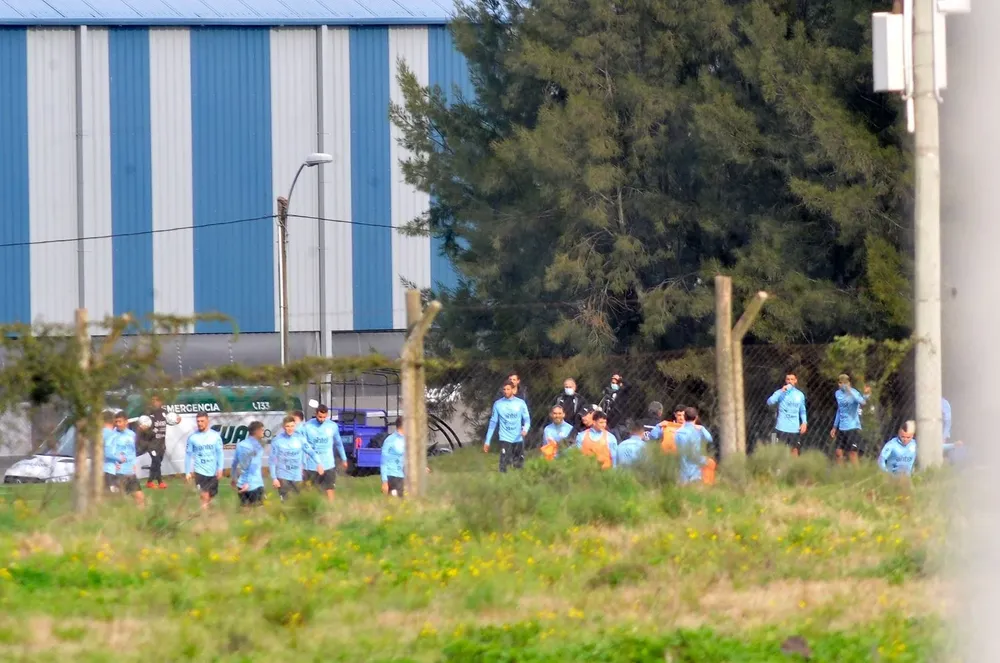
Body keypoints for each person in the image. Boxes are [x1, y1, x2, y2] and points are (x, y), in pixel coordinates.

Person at [300, 404, 347, 503]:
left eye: (324, 417)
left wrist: (344, 459)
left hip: (328, 464)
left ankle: (331, 508)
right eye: (320, 417)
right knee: (310, 490)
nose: (321, 419)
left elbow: (338, 443)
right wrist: (302, 464)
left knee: (329, 488)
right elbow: (303, 447)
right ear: (316, 414)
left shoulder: (332, 426)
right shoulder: (307, 426)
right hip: (311, 465)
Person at [269, 415, 322, 501]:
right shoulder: (277, 441)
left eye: (292, 426)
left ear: (295, 426)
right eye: (287, 426)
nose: (290, 429)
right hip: (283, 476)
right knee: (286, 502)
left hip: (297, 476)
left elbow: (311, 452)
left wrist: (318, 463)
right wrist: (274, 478)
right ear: (283, 427)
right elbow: (272, 461)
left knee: (298, 501)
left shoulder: (300, 439)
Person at [484, 380, 531, 473]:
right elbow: (493, 423)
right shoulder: (498, 404)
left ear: (513, 390)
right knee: (504, 466)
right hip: (505, 437)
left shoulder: (520, 403)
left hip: (518, 437)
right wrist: (487, 441)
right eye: (504, 389)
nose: (506, 391)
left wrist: (525, 429)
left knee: (519, 466)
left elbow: (527, 420)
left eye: (508, 389)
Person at [184, 412, 225, 510]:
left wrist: (220, 468)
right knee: (204, 495)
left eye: (202, 421)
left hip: (213, 471)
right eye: (198, 421)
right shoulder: (192, 437)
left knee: (211, 495)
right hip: (200, 471)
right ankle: (204, 513)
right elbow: (188, 455)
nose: (200, 423)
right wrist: (187, 472)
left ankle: (207, 511)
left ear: (207, 421)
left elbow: (220, 453)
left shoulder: (215, 436)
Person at [829, 374, 871, 465]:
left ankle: (856, 472)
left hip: (852, 427)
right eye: (840, 383)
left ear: (848, 383)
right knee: (838, 452)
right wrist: (834, 427)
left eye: (844, 383)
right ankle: (840, 472)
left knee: (852, 453)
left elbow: (862, 402)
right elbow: (840, 410)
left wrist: (850, 392)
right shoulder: (837, 394)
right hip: (842, 428)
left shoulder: (854, 392)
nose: (842, 385)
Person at [766, 372, 808, 456]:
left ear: (795, 381)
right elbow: (769, 402)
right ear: (785, 380)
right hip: (781, 428)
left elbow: (802, 410)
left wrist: (804, 422)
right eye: (788, 379)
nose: (790, 381)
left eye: (792, 379)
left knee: (795, 451)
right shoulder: (779, 392)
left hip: (794, 429)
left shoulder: (800, 395)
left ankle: (794, 465)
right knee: (779, 452)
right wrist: (781, 391)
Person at [109, 411, 145, 508]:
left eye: (120, 421)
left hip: (130, 472)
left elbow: (134, 451)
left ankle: (140, 516)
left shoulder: (132, 434)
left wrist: (134, 464)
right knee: (118, 500)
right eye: (116, 422)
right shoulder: (112, 435)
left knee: (140, 497)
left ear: (126, 422)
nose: (118, 424)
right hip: (118, 473)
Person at [674, 406, 715, 485]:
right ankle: (708, 486)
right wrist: (702, 428)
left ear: (684, 417)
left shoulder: (678, 432)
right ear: (696, 417)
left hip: (682, 463)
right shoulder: (697, 430)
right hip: (695, 462)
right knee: (710, 463)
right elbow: (709, 439)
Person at [231, 421, 266, 508]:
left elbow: (234, 464)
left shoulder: (240, 445)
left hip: (241, 484)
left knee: (245, 511)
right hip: (254, 484)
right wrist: (248, 483)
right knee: (258, 512)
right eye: (262, 430)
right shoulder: (258, 447)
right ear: (257, 431)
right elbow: (253, 466)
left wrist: (234, 478)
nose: (263, 432)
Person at [141, 394, 170, 490]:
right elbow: (143, 427)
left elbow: (172, 420)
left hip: (161, 444)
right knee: (157, 462)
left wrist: (178, 419)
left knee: (156, 463)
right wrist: (146, 430)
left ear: (161, 402)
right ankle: (160, 482)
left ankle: (149, 482)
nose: (154, 402)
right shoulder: (148, 414)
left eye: (156, 400)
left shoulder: (164, 412)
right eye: (153, 400)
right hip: (151, 445)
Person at [380, 418, 406, 498]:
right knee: (395, 502)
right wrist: (384, 481)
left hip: (402, 476)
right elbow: (383, 462)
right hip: (392, 476)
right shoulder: (390, 440)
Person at [101, 411, 117, 492]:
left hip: (99, 469)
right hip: (109, 470)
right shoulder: (112, 435)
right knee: (111, 494)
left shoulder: (98, 434)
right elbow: (109, 453)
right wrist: (120, 459)